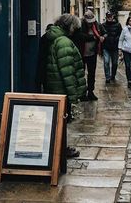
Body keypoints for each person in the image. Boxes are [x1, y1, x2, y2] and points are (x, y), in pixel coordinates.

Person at [42, 15, 86, 158]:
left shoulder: (53, 37)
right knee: (61, 120)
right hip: (60, 89)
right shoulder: (64, 42)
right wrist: (73, 97)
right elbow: (67, 72)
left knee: (56, 120)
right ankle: (61, 150)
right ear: (70, 27)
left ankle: (58, 148)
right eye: (75, 28)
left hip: (53, 86)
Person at [81, 10, 106, 100]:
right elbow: (81, 36)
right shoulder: (81, 26)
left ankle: (91, 91)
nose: (90, 24)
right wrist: (93, 37)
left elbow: (103, 33)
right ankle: (82, 93)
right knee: (81, 74)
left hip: (92, 53)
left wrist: (102, 37)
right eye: (89, 22)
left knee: (92, 74)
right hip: (82, 54)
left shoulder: (97, 25)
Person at [102, 10, 122, 83]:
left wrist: (117, 39)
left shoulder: (118, 25)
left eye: (110, 16)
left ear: (113, 16)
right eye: (108, 16)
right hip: (106, 47)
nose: (109, 18)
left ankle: (113, 75)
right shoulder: (103, 25)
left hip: (115, 47)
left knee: (114, 63)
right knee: (106, 62)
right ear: (106, 17)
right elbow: (101, 34)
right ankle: (107, 77)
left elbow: (121, 35)